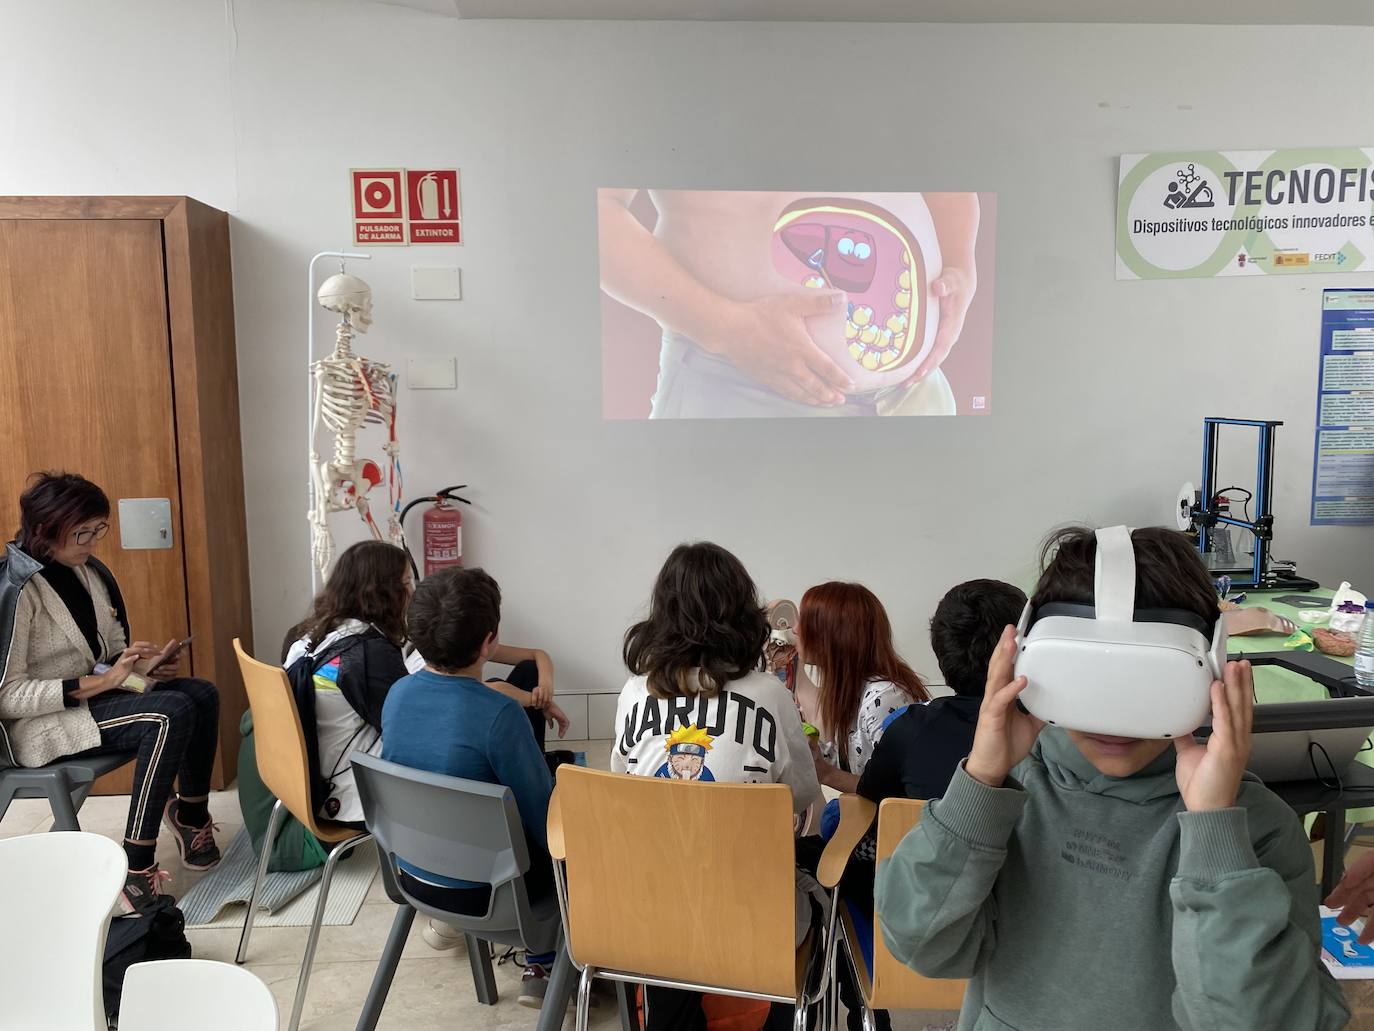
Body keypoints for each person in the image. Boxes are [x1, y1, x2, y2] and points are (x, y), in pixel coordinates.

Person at [875, 527, 1350, 1030]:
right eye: (1087, 683)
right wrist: (981, 780)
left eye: (1147, 684)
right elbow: (921, 944)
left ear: (1208, 666)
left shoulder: (1253, 829)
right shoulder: (1008, 795)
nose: (1111, 722)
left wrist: (1215, 834)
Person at [612, 542, 823, 1031]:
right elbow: (803, 800)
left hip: (651, 918)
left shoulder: (632, 692)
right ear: (742, 615)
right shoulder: (769, 694)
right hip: (754, 918)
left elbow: (621, 787)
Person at [0, 472, 221, 912]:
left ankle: (190, 817)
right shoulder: (17, 588)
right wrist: (104, 682)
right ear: (45, 528)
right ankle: (137, 869)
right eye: (82, 532)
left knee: (200, 693)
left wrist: (144, 672)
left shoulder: (89, 572)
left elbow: (109, 661)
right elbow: (7, 696)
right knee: (168, 714)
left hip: (94, 701)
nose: (92, 542)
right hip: (38, 726)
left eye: (98, 530)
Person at [815, 579, 1024, 1031]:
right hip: (1023, 941)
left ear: (942, 654)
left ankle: (867, 988)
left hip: (927, 928)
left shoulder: (910, 727)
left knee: (838, 827)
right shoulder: (1054, 738)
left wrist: (830, 778)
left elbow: (872, 798)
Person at [599, 189, 980, 417]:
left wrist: (962, 264)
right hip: (739, 393)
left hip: (920, 397)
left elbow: (949, 187)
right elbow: (597, 209)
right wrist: (726, 328)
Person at [381, 567, 560, 1009]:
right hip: (494, 894)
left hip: (414, 877)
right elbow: (545, 824)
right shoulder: (501, 715)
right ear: (488, 643)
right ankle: (547, 960)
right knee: (569, 837)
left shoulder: (397, 694)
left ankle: (539, 961)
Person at [280, 540, 414, 826]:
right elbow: (407, 729)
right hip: (348, 797)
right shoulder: (369, 654)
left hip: (304, 784)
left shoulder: (303, 636)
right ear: (383, 593)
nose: (412, 591)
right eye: (406, 583)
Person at [799, 581, 928, 794]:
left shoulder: (885, 697)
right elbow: (850, 765)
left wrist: (826, 773)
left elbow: (892, 790)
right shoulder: (852, 691)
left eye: (805, 622)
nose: (795, 629)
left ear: (833, 635)